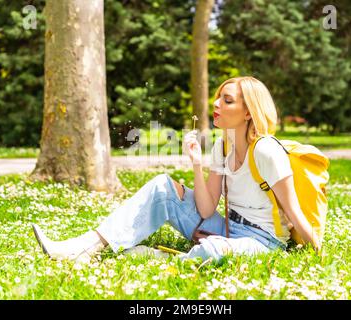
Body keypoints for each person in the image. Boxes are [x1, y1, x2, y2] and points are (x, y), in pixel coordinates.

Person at [31, 76, 321, 264]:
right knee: (162, 186)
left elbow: (294, 214)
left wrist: (316, 252)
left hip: (263, 242)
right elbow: (207, 211)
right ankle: (84, 248)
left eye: (227, 100)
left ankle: (160, 257)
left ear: (248, 112)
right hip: (229, 229)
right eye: (218, 97)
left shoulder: (267, 151)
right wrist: (197, 163)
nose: (216, 103)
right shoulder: (222, 147)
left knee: (215, 250)